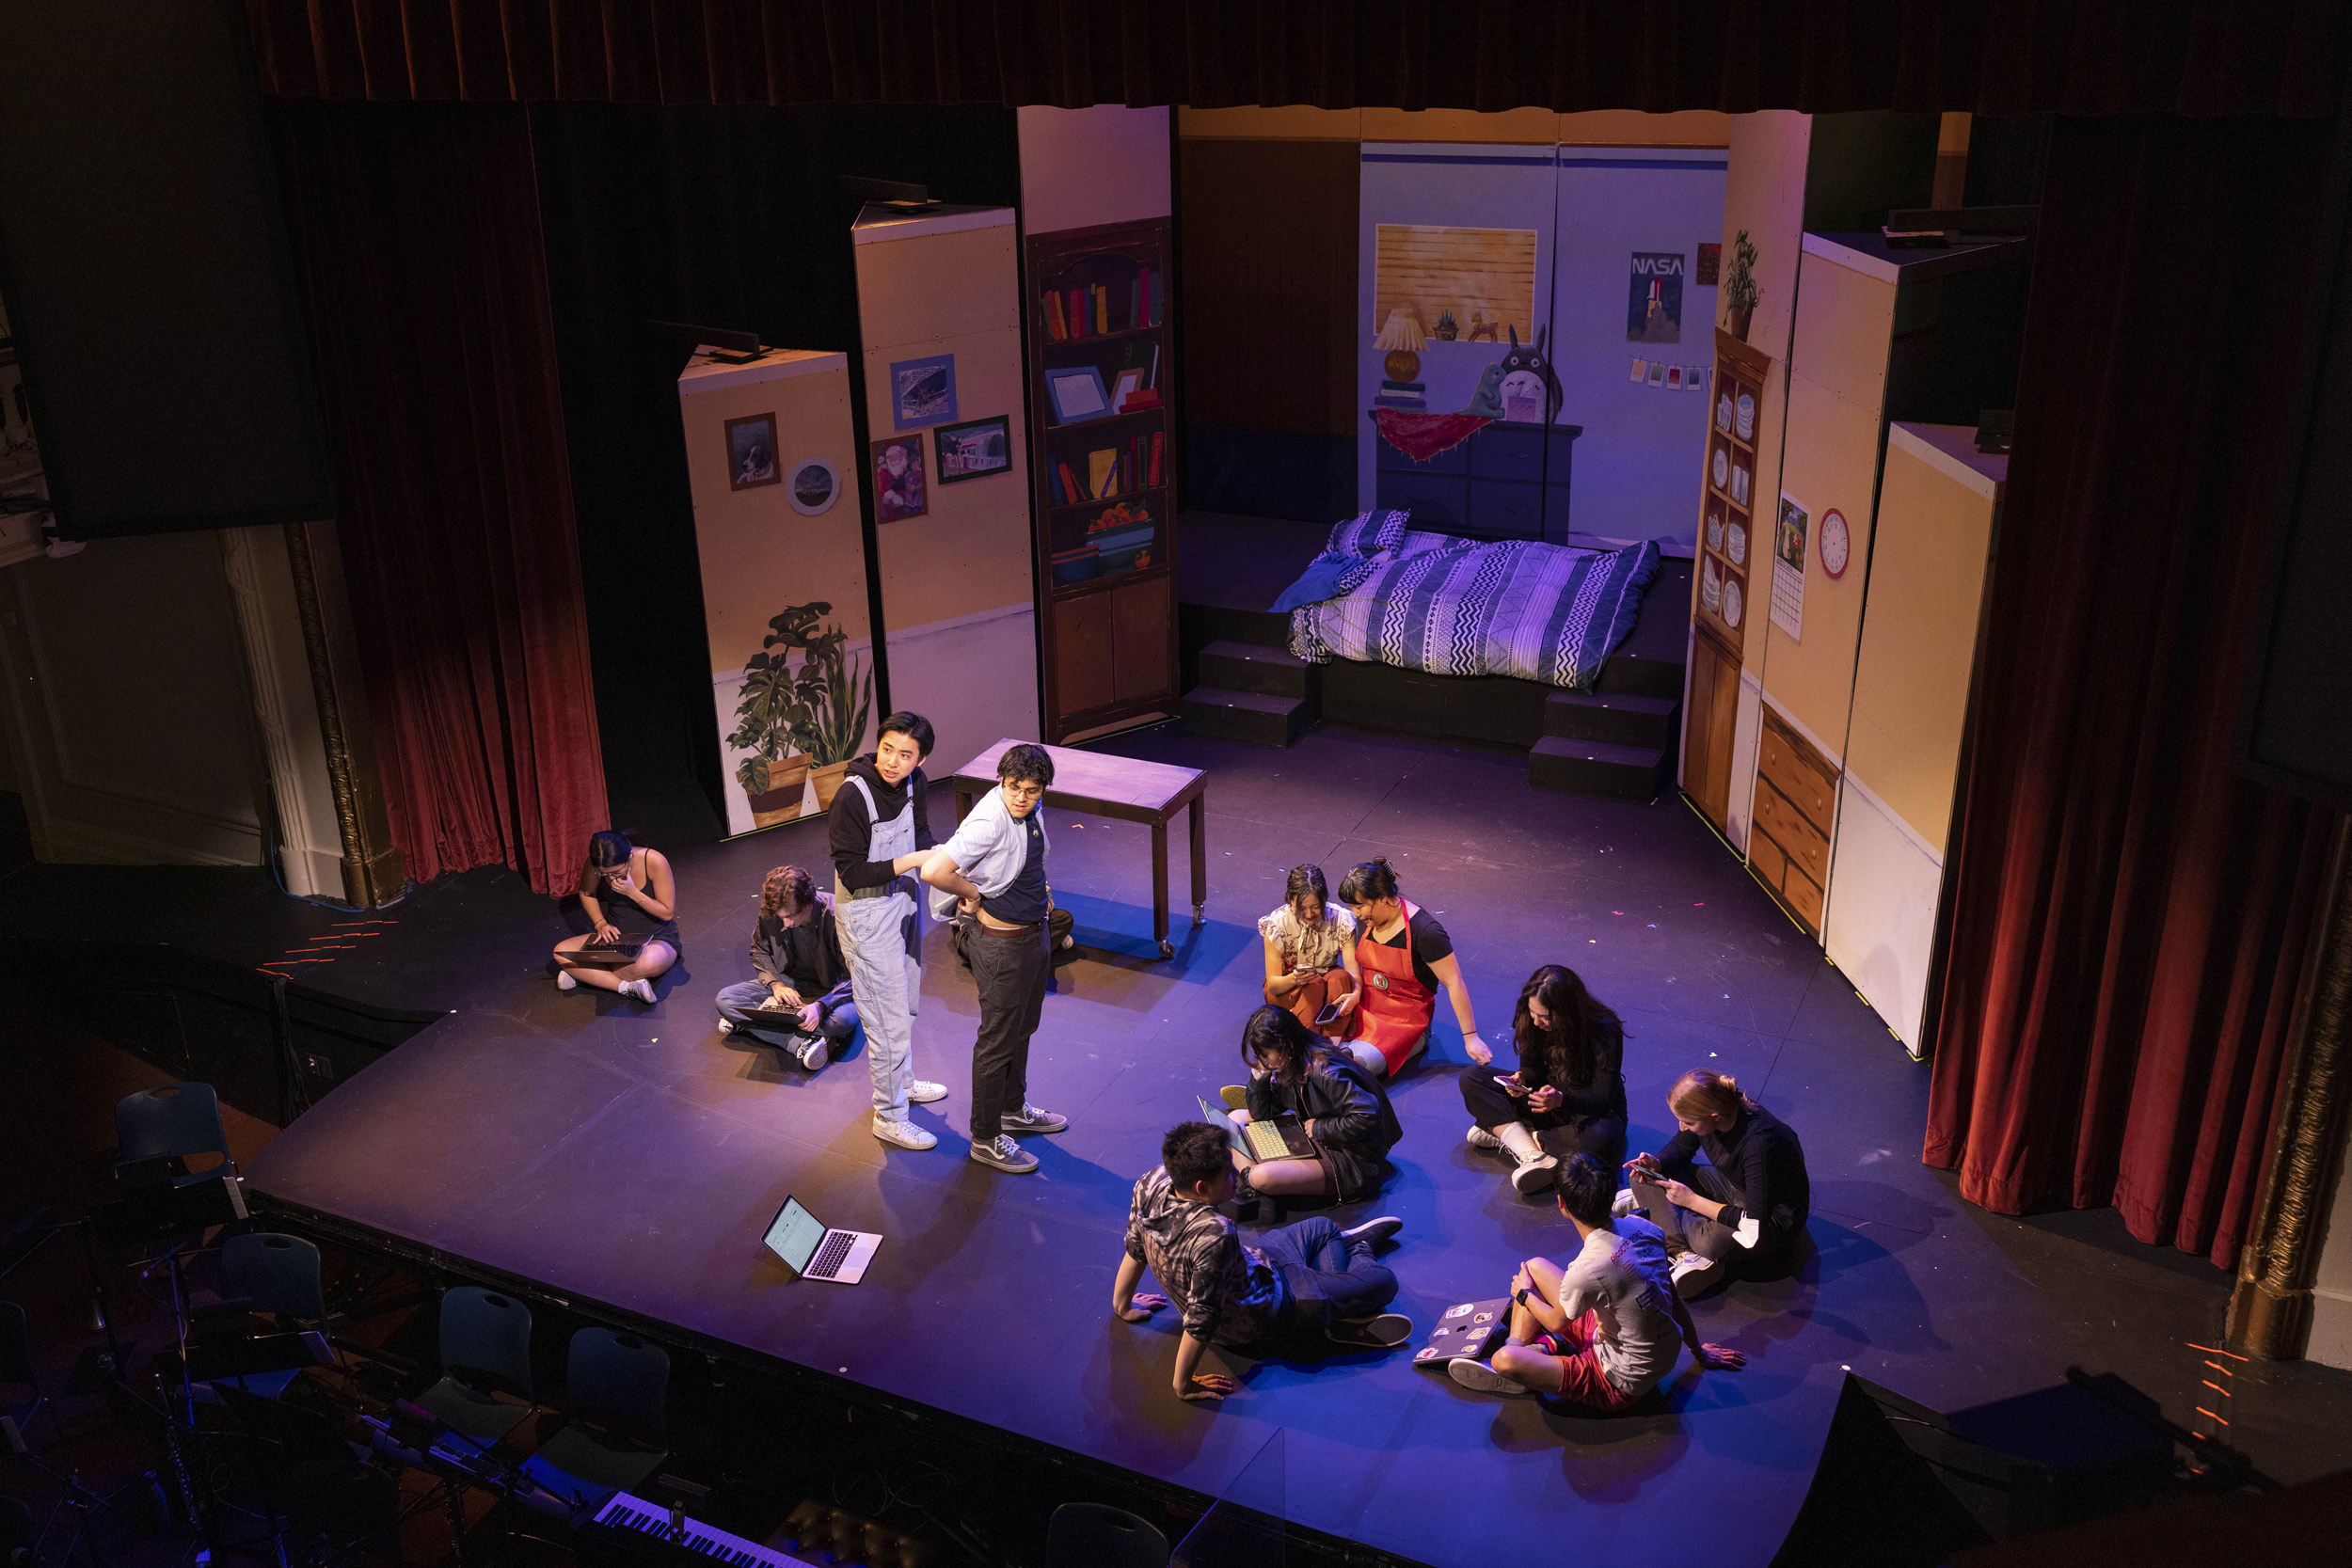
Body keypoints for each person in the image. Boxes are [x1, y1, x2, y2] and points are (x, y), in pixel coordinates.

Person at [1113, 1121, 1411, 1402]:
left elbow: (1135, 1247)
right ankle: (1358, 1251)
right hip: (1271, 1308)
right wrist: (1183, 1384)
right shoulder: (1212, 1236)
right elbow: (1201, 1318)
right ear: (1202, 1187)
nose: (1236, 1176)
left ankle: (1335, 1304)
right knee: (1385, 1283)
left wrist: (1122, 1306)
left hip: (1257, 1263)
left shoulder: (1151, 1182)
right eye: (1228, 1174)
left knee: (1323, 1227)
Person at [1447, 1154, 1745, 1404]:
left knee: (1504, 1358)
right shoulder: (1645, 1228)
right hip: (1648, 1347)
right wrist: (1697, 1349)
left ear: (1562, 1204)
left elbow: (1556, 1322)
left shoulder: (1586, 1270)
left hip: (1620, 1382)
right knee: (1536, 1266)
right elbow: (1672, 1299)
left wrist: (1524, 1295)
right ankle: (1542, 1350)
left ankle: (1520, 1360)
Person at [920, 743, 1069, 1174]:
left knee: (1023, 1026)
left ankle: (1012, 1109)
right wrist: (972, 894)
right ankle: (985, 1138)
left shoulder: (1031, 813)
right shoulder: (988, 821)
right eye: (1013, 787)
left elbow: (1029, 860)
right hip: (1001, 946)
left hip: (1033, 935)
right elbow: (933, 871)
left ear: (1043, 790)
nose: (1021, 797)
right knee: (997, 1039)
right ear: (1001, 782)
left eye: (1032, 789)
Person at [829, 711, 949, 1151]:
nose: (893, 762)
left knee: (906, 1005)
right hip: (866, 915)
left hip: (904, 901)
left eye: (905, 755)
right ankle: (890, 1114)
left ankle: (905, 1082)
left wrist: (935, 857)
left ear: (920, 760)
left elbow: (920, 832)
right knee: (885, 1021)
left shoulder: (918, 783)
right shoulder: (851, 797)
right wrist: (914, 861)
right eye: (887, 749)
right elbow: (854, 871)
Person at [1624, 1069, 1812, 1297]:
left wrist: (1691, 1201)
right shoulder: (1714, 1113)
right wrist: (1658, 1163)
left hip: (1770, 1221)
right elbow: (1682, 1148)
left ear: (1714, 1116)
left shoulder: (1758, 1144)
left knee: (1706, 1242)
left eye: (1688, 1122)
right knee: (1644, 1180)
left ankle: (1666, 1216)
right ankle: (1683, 1252)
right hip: (1733, 1185)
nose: (1683, 1127)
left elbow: (1755, 1221)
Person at [1460, 965, 1629, 1196]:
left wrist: (1560, 1100)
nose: (1537, 1022)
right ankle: (1534, 1155)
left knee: (1602, 1139)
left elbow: (1602, 1100)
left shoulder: (1604, 1029)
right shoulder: (1531, 1019)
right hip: (1544, 1101)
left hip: (1584, 1108)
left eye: (1545, 1017)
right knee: (1472, 1078)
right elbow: (1532, 1069)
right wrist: (1522, 1079)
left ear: (1568, 1011)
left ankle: (1511, 1136)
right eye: (1533, 1014)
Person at [1334, 858, 1490, 1078]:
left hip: (1404, 1025)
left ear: (1381, 899)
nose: (1355, 913)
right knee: (1316, 1053)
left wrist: (1470, 1037)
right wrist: (1356, 992)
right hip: (1365, 1010)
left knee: (1349, 1069)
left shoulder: (1425, 932)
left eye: (1359, 906)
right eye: (1351, 907)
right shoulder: (1367, 919)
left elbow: (1454, 981)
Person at [1229, 1006, 1399, 1202]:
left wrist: (1320, 1128)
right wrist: (1259, 1078)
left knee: (1262, 1176)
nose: (1260, 1060)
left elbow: (1367, 1115)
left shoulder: (1326, 1072)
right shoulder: (1289, 1062)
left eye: (1264, 1054)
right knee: (1235, 1118)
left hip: (1348, 1158)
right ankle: (1256, 1189)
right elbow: (1261, 1113)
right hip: (1313, 1132)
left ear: (1287, 1046)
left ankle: (1257, 1184)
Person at [714, 866, 858, 1073]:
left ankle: (752, 1024)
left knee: (841, 1021)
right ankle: (799, 1043)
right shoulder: (773, 911)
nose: (786, 923)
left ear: (809, 902)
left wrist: (821, 1006)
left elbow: (857, 977)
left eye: (791, 916)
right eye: (781, 917)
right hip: (792, 984)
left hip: (833, 990)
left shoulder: (838, 916)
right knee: (726, 1000)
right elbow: (759, 950)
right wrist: (776, 984)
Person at [553, 832, 677, 1004]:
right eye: (605, 874)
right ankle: (627, 987)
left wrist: (633, 893)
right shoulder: (596, 865)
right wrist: (601, 923)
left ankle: (584, 973)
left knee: (644, 964)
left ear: (630, 856)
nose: (611, 878)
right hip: (616, 938)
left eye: (617, 872)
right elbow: (586, 893)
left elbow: (666, 912)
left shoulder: (654, 860)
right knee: (562, 952)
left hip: (656, 939)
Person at [1258, 864, 1361, 1040]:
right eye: (1302, 907)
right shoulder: (1276, 924)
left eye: (1315, 907)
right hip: (1289, 988)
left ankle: (1329, 1044)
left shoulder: (1342, 919)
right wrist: (1294, 978)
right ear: (1290, 900)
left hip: (1328, 985)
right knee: (1313, 985)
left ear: (1324, 899)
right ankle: (1303, 1045)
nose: (1309, 913)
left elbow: (1353, 971)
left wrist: (1356, 993)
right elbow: (1274, 985)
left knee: (1341, 978)